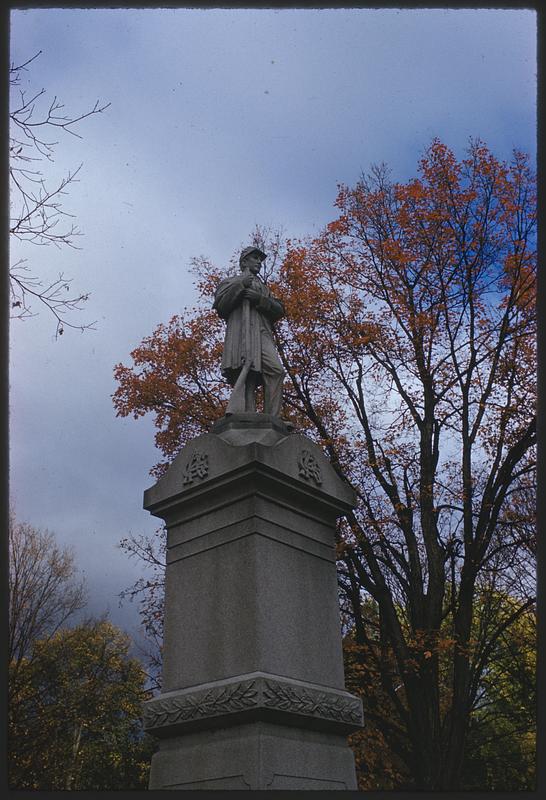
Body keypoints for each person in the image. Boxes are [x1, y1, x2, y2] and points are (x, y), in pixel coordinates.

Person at [213, 246, 285, 417]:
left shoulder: (264, 288)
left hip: (262, 332)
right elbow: (221, 307)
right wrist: (240, 285)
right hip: (241, 334)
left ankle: (272, 418)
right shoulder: (230, 282)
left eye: (260, 259)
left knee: (276, 371)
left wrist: (259, 299)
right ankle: (246, 413)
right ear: (244, 261)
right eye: (255, 258)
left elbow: (279, 310)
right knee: (247, 373)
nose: (259, 262)